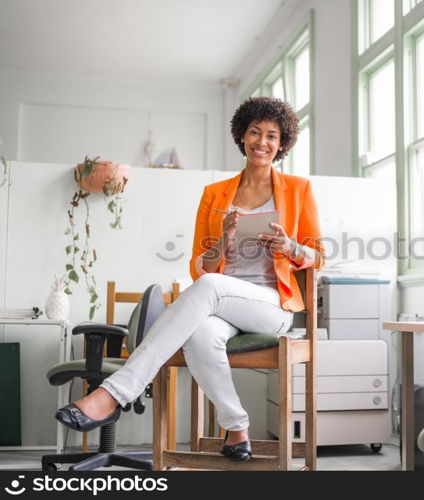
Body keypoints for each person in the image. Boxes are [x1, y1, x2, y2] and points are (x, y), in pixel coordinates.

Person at [55, 97, 325, 462]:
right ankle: (237, 427)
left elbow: (317, 256)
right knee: (199, 335)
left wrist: (290, 245)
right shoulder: (214, 195)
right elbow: (201, 267)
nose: (262, 142)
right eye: (255, 132)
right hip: (220, 303)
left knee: (210, 289)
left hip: (270, 304)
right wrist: (223, 243)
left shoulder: (298, 189)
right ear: (242, 136)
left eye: (272, 136)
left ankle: (114, 393)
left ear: (282, 144)